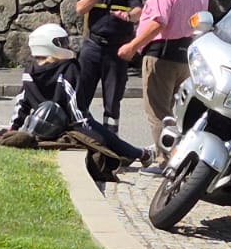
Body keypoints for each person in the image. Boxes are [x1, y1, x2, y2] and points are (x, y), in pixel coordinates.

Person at [8, 22, 151, 167]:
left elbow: (22, 104)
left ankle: (132, 154)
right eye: (62, 42)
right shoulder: (68, 68)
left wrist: (12, 129)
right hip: (68, 126)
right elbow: (78, 114)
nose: (66, 46)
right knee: (103, 134)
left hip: (42, 127)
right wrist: (94, 133)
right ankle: (140, 154)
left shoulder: (29, 72)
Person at [117, 0, 211, 163]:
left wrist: (132, 46)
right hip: (186, 57)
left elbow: (158, 21)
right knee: (180, 113)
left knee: (159, 111)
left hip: (161, 55)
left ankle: (164, 159)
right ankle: (184, 156)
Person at [73, 0, 145, 130]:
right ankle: (77, 132)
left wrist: (129, 16)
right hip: (93, 46)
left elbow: (139, 11)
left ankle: (110, 138)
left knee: (113, 99)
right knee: (81, 93)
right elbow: (80, 9)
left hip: (116, 49)